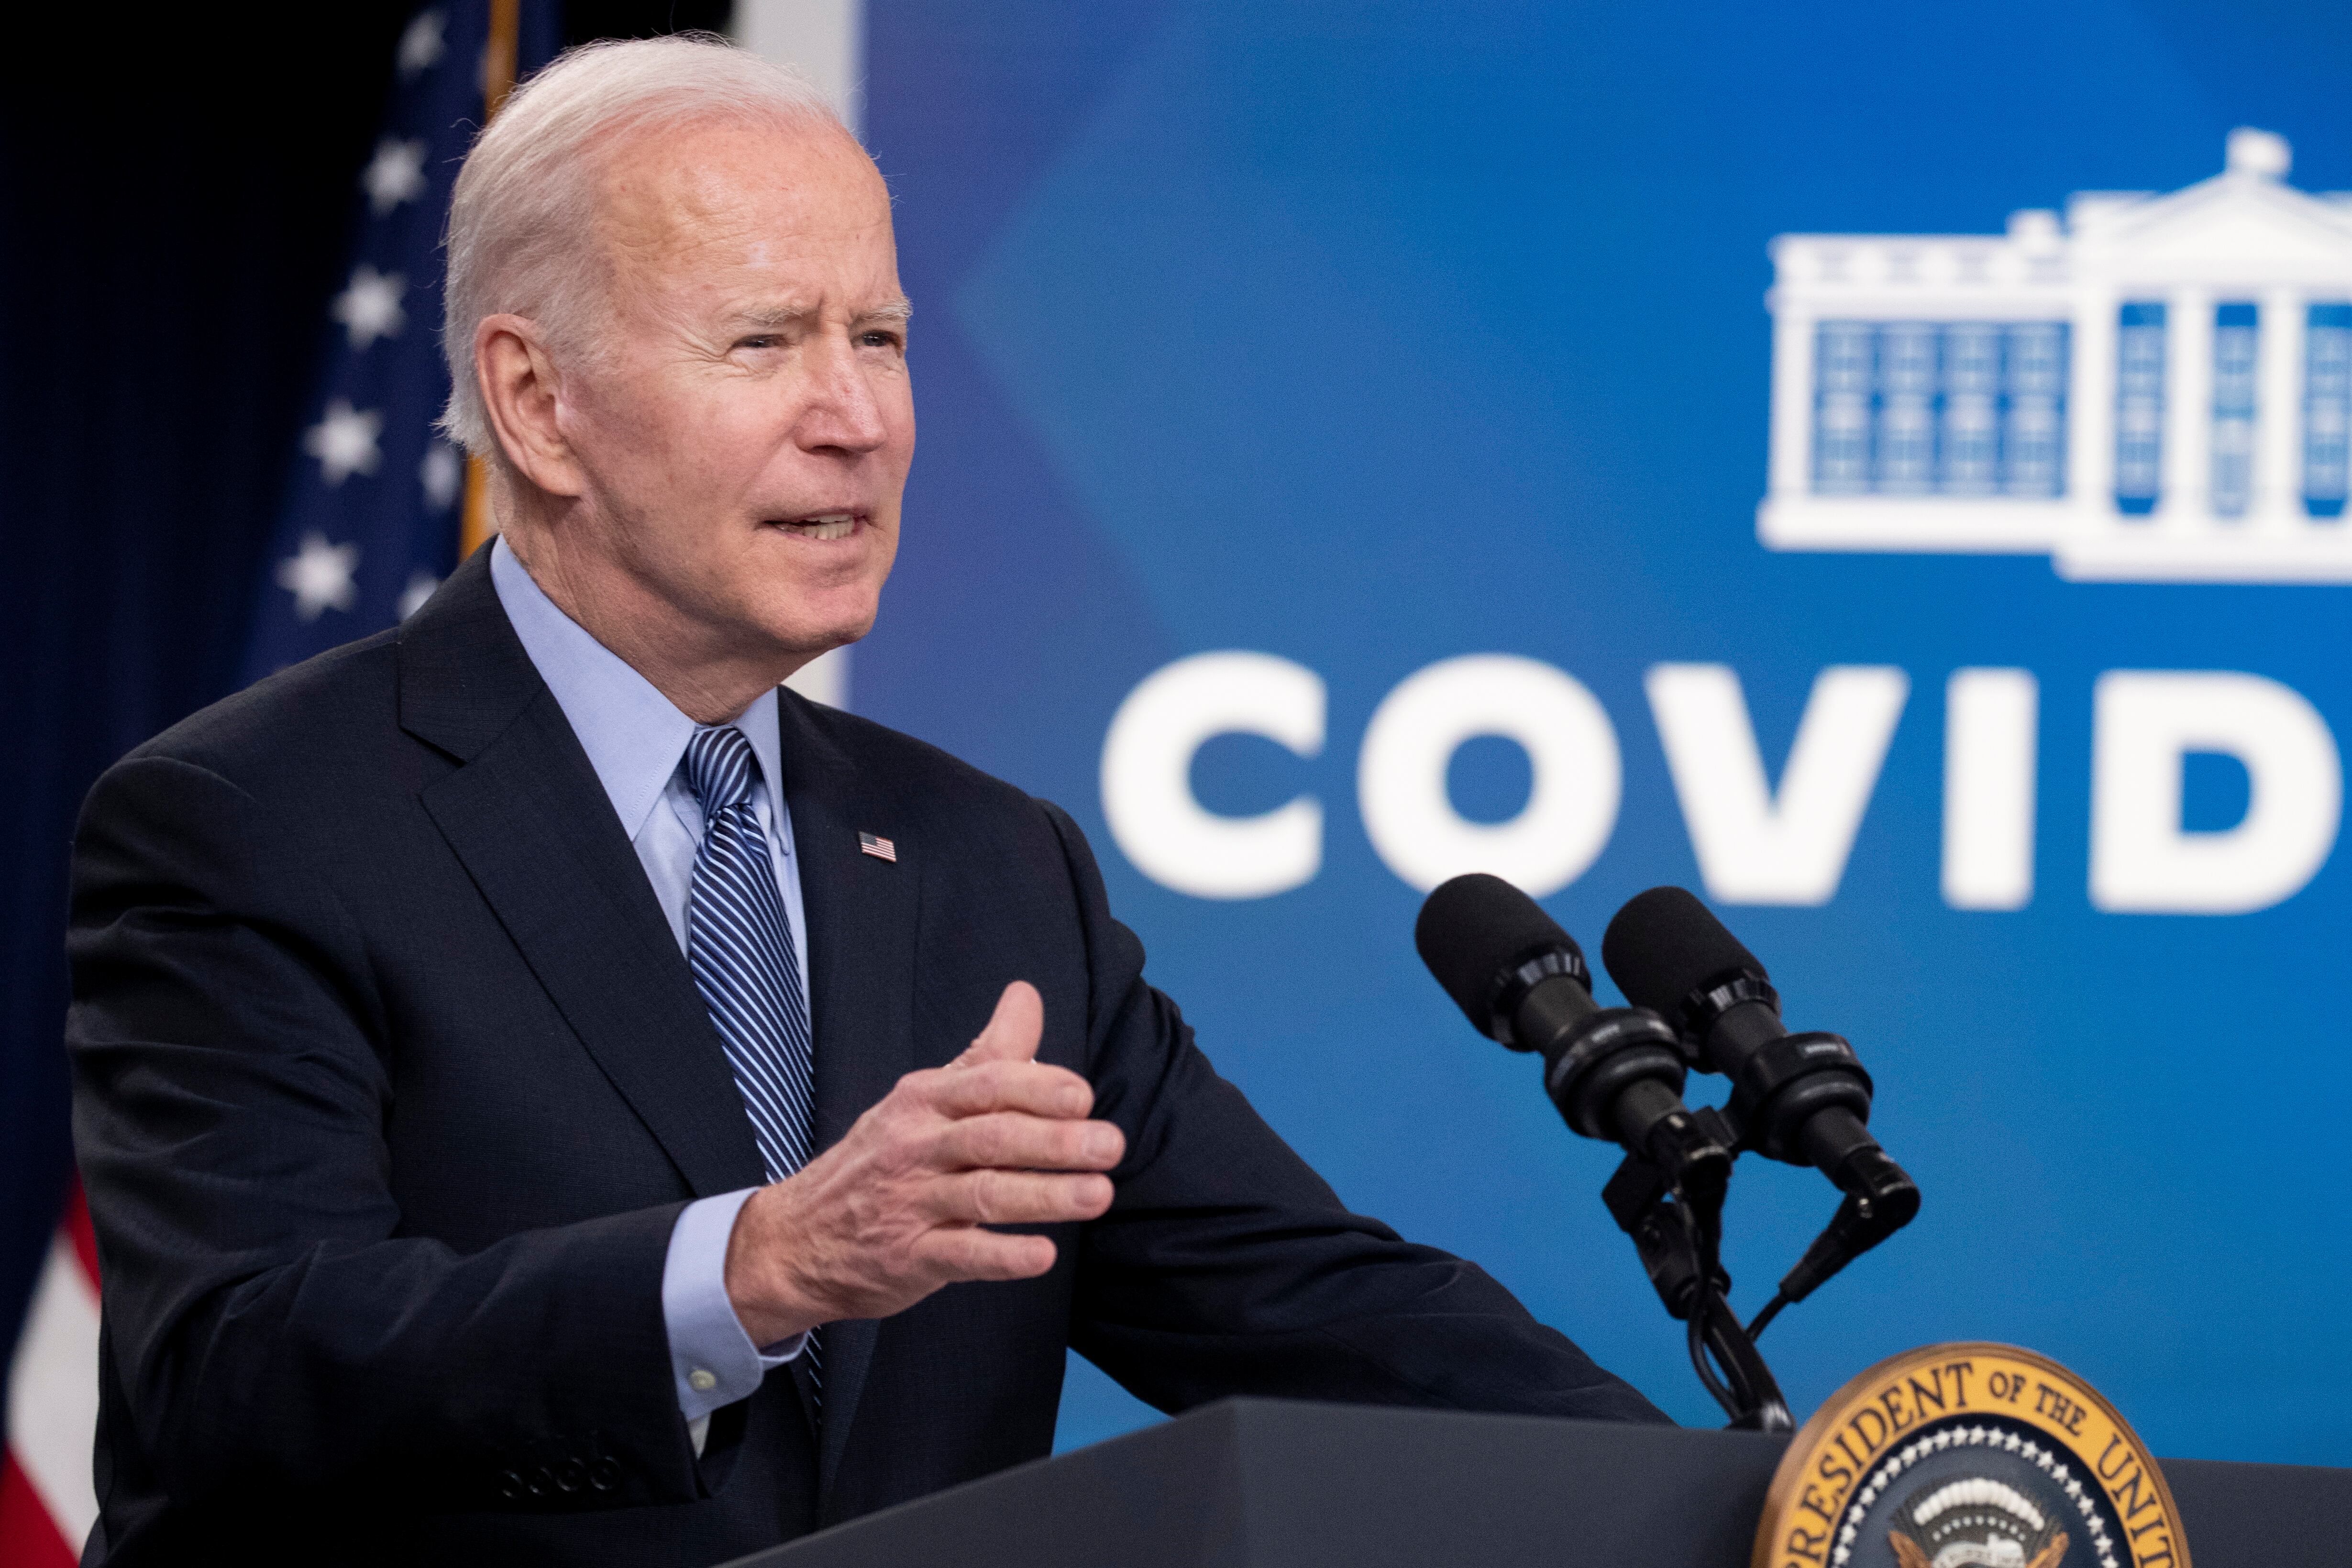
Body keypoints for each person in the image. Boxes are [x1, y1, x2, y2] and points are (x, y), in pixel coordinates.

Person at [65, 34, 1664, 1568]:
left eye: (879, 338)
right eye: (764, 342)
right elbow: (238, 1365)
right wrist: (754, 1270)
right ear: (541, 405)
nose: (859, 416)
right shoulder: (253, 819)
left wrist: (1751, 1506)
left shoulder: (993, 863)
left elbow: (1308, 1310)